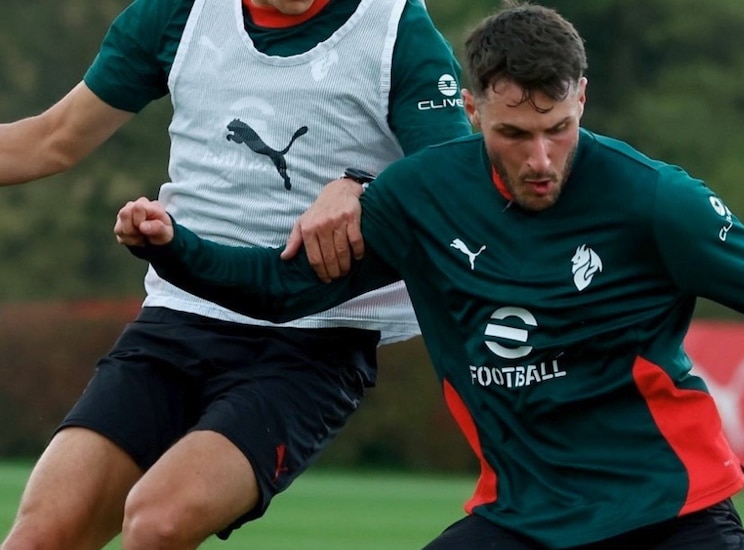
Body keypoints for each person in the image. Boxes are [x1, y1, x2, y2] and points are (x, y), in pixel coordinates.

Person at [114, 2, 744, 549]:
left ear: (584, 101)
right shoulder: (412, 197)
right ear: (473, 106)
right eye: (514, 132)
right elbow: (281, 294)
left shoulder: (657, 203)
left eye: (558, 128)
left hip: (665, 513)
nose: (540, 157)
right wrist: (172, 249)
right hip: (521, 519)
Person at [1, 0, 469, 548]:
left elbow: (453, 186)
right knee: (38, 537)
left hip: (313, 342)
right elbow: (51, 138)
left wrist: (361, 189)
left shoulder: (395, 27)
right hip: (177, 320)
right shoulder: (175, 13)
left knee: (157, 522)